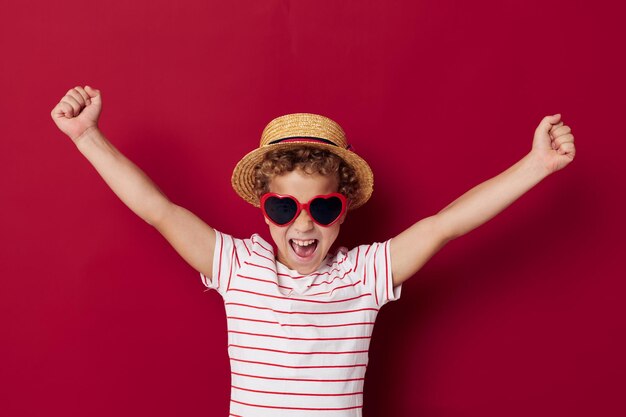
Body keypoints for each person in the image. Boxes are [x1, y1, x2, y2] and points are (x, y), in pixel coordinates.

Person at [51, 85, 576, 416]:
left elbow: (444, 226)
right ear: (265, 210)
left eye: (321, 208)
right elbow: (158, 210)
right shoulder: (238, 267)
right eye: (285, 208)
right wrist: (87, 137)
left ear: (343, 209)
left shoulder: (364, 274)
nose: (303, 224)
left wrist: (534, 166)